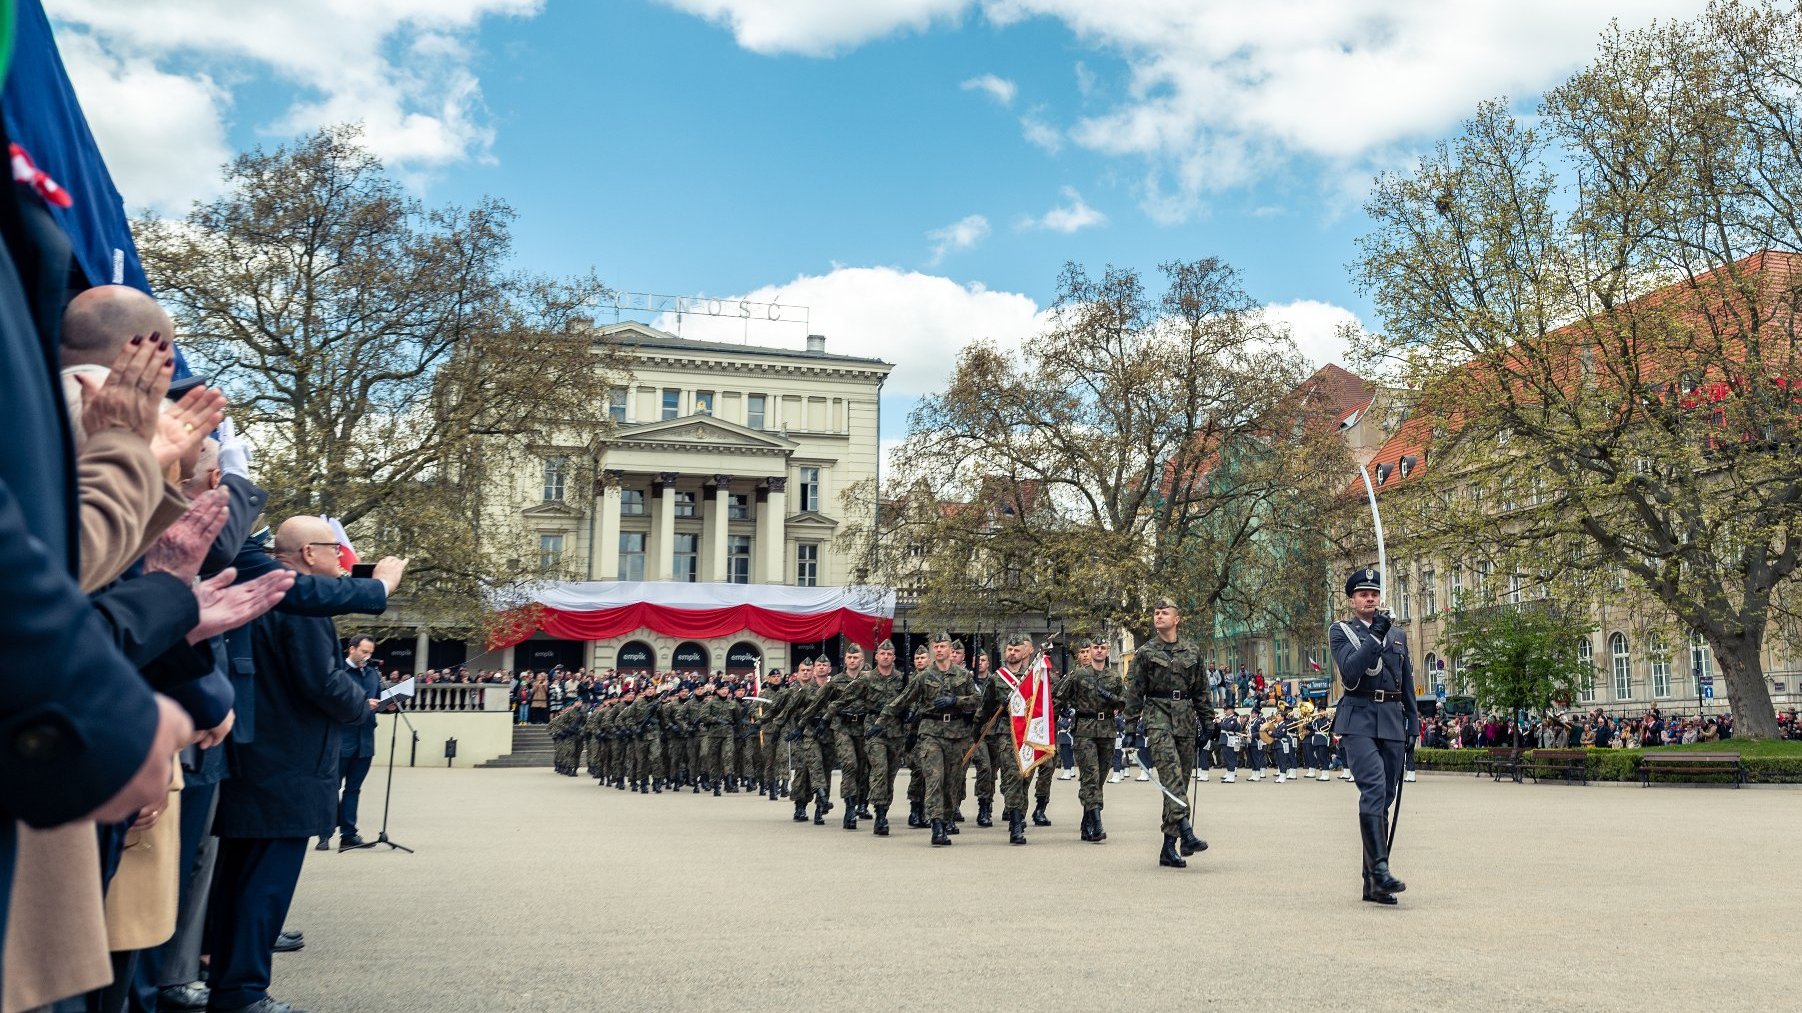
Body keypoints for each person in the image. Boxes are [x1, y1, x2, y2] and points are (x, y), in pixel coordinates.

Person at [206, 517, 406, 1012]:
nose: (343, 561)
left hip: (256, 757)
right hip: (289, 762)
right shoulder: (300, 606)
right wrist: (362, 706)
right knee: (264, 887)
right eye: (336, 551)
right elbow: (320, 681)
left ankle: (229, 983)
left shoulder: (263, 593)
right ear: (309, 555)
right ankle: (243, 992)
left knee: (238, 881)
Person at [1329, 566, 1419, 907]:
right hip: (1358, 719)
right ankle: (1381, 868)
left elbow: (1406, 681)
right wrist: (1374, 636)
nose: (1370, 598)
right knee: (1374, 788)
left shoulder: (1398, 635)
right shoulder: (1341, 632)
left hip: (1392, 720)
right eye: (1363, 594)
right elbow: (1351, 674)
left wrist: (1413, 722)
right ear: (1352, 600)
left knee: (1386, 798)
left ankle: (1372, 882)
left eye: (1375, 593)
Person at [1125, 597, 1213, 869]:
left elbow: (1201, 690)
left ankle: (1168, 847)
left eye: (1164, 612)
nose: (1159, 616)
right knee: (1171, 777)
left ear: (1176, 619)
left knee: (1180, 781)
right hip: (1158, 716)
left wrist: (1208, 722)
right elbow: (1134, 692)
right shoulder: (1145, 653)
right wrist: (1130, 729)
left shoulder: (1192, 651)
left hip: (1185, 718)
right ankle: (1186, 832)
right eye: (1156, 613)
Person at [873, 631, 979, 846]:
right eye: (936, 646)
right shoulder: (923, 677)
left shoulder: (964, 676)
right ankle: (937, 825)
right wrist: (880, 722)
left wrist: (956, 700)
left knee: (952, 781)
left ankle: (947, 817)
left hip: (957, 734)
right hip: (930, 732)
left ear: (950, 649)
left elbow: (978, 700)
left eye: (942, 646)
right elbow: (901, 701)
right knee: (934, 778)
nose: (939, 650)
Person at [1060, 635, 1124, 842]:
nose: (1098, 651)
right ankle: (1097, 824)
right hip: (1085, 731)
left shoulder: (1114, 677)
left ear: (1107, 651)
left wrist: (1111, 698)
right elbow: (1060, 695)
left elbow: (1125, 702)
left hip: (1106, 731)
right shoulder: (1079, 675)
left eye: (1102, 647)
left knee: (1099, 778)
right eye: (1095, 647)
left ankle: (1086, 821)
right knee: (1090, 776)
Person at [323, 633, 383, 850]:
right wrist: (361, 704)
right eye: (364, 651)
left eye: (370, 653)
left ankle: (348, 834)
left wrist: (388, 704)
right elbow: (331, 704)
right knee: (332, 787)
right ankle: (325, 832)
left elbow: (377, 698)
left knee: (353, 789)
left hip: (365, 739)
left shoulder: (373, 674)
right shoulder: (338, 672)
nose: (367, 656)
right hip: (341, 738)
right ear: (352, 649)